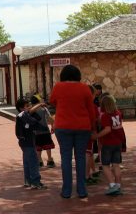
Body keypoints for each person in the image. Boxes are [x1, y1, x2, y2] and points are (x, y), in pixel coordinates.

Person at [50, 65, 95, 199]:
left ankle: (66, 191)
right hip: (82, 127)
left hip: (63, 126)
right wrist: (92, 127)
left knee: (66, 158)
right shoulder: (85, 88)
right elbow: (91, 110)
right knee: (80, 158)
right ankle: (81, 190)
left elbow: (52, 102)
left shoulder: (58, 87)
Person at [92, 95, 125, 196]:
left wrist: (96, 136)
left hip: (108, 143)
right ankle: (118, 186)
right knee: (116, 165)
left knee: (105, 165)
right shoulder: (118, 113)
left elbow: (107, 129)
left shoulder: (106, 116)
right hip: (118, 143)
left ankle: (112, 185)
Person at [15, 98, 48, 190]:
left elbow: (34, 116)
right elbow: (33, 120)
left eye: (30, 105)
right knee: (33, 162)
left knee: (27, 162)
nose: (29, 107)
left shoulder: (23, 115)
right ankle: (35, 182)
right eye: (27, 106)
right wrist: (39, 105)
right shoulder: (22, 115)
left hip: (25, 142)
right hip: (27, 142)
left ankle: (28, 181)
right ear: (21, 108)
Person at [31, 95, 55, 168]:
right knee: (48, 145)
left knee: (38, 146)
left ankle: (39, 161)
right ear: (39, 101)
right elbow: (50, 118)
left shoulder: (32, 109)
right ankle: (50, 159)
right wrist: (52, 126)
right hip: (45, 130)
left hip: (36, 131)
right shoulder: (43, 108)